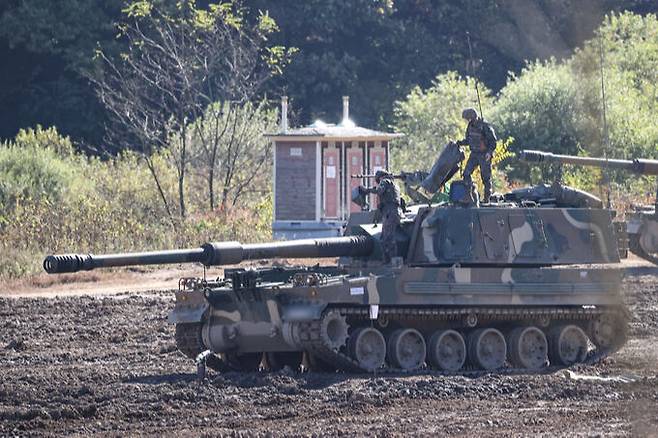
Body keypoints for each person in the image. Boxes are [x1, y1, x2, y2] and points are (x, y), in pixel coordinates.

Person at [456, 108, 498, 203]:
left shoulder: (485, 126)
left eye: (468, 118)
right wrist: (460, 143)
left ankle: (487, 198)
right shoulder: (470, 126)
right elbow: (469, 140)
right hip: (474, 154)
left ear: (472, 117)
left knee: (486, 178)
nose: (467, 120)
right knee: (466, 173)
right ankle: (468, 195)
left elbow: (493, 141)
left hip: (484, 155)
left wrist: (489, 152)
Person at [363, 170, 402, 263]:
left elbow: (379, 191)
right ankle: (388, 259)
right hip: (393, 212)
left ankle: (391, 260)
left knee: (388, 238)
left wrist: (367, 190)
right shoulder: (393, 184)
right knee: (385, 237)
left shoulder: (385, 181)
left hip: (389, 211)